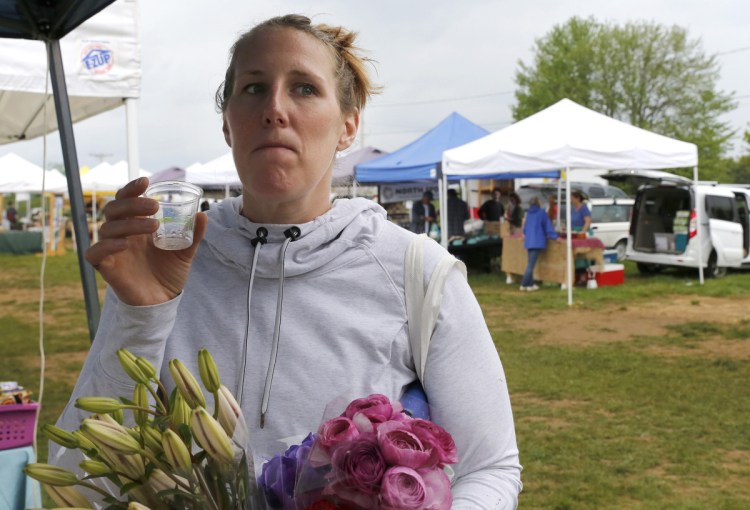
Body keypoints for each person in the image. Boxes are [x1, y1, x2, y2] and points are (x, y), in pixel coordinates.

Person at [53, 14, 521, 508]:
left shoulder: (416, 272)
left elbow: (489, 467)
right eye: (254, 88)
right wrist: (141, 312)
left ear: (348, 127)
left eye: (303, 88)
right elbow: (76, 478)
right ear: (227, 125)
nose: (275, 108)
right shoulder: (167, 260)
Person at [520, 196, 560, 291]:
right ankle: (524, 284)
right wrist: (555, 237)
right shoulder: (541, 213)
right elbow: (547, 226)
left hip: (529, 241)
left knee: (530, 263)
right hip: (537, 241)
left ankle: (530, 284)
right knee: (531, 264)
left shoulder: (528, 213)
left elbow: (525, 229)